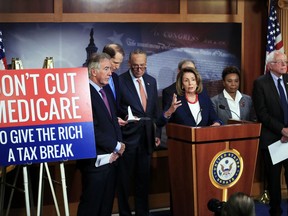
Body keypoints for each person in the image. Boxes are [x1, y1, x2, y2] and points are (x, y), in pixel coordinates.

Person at [77, 53, 125, 216]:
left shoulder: (106, 92)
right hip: (94, 163)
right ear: (93, 71)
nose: (110, 72)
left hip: (112, 160)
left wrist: (118, 147)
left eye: (111, 69)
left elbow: (113, 121)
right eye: (106, 69)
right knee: (91, 208)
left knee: (106, 208)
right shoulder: (84, 93)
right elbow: (89, 128)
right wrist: (116, 145)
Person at [117, 49, 161, 216]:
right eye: (135, 66)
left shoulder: (151, 81)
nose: (139, 69)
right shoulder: (120, 81)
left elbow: (155, 111)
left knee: (143, 181)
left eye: (142, 66)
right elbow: (116, 109)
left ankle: (143, 213)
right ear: (129, 64)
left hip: (146, 139)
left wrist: (157, 134)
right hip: (128, 138)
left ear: (146, 64)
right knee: (125, 182)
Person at [252, 50, 288, 216]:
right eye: (280, 62)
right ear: (270, 65)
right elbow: (262, 113)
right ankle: (276, 211)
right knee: (274, 181)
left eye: (285, 62)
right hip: (273, 139)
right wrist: (282, 130)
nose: (284, 65)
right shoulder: (260, 83)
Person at [102, 43, 125, 112]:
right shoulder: (94, 79)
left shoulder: (115, 77)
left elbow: (117, 105)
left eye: (120, 63)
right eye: (115, 62)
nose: (118, 67)